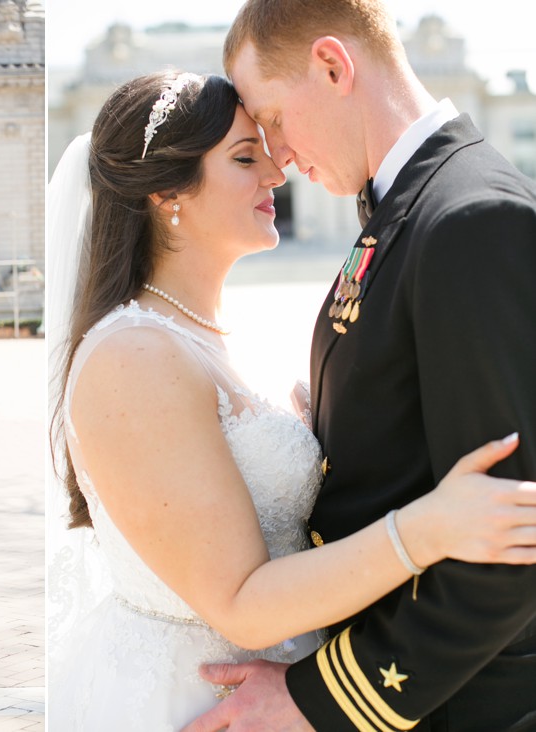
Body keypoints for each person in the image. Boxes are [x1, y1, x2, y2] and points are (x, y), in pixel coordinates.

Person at [46, 71, 536, 731]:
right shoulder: (133, 356)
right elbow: (241, 603)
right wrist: (429, 527)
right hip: (198, 697)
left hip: (290, 686)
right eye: (245, 158)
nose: (276, 174)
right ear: (167, 193)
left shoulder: (207, 334)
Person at [180, 3, 536, 730]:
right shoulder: (408, 206)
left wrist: (319, 698)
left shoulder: (469, 220)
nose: (275, 156)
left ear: (334, 67)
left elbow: (516, 537)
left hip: (457, 702)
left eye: (274, 118)